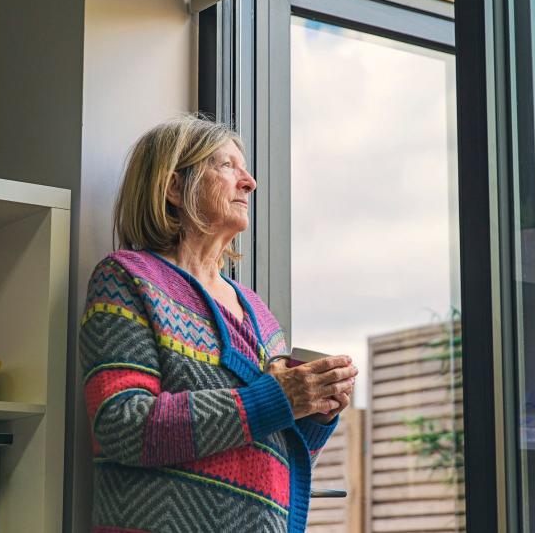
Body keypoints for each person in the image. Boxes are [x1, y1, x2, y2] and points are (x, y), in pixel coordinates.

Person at [80, 114, 358, 533]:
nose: (249, 182)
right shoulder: (127, 279)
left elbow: (273, 453)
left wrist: (314, 412)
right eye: (227, 165)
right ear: (174, 187)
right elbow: (122, 425)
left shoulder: (259, 313)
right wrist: (276, 399)